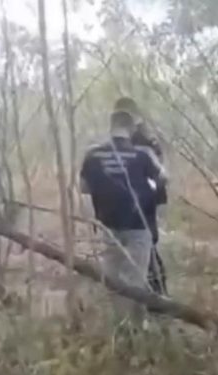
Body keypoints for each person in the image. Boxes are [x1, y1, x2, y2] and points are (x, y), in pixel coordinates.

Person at [79, 109, 167, 322]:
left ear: (111, 127)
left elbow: (83, 187)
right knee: (136, 279)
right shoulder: (142, 154)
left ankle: (121, 323)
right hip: (139, 225)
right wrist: (150, 193)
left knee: (113, 278)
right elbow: (164, 177)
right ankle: (136, 325)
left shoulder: (93, 155)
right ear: (131, 129)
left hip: (108, 225)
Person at [113, 97, 169, 296]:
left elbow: (158, 173)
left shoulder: (143, 141)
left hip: (143, 202)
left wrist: (149, 194)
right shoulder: (132, 139)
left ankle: (157, 294)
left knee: (148, 247)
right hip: (132, 203)